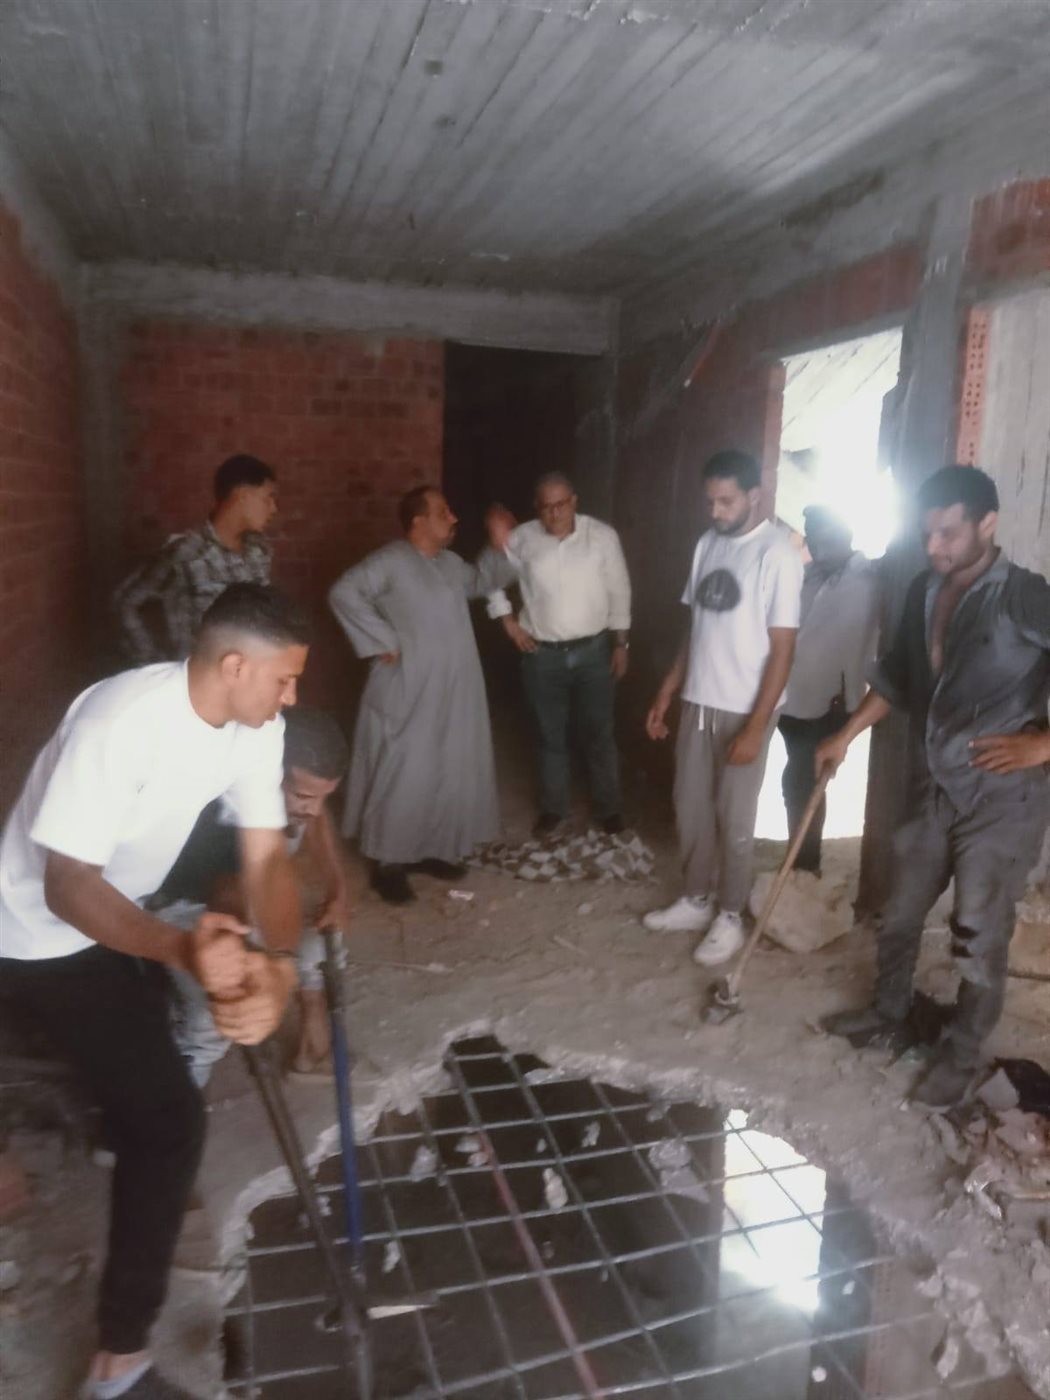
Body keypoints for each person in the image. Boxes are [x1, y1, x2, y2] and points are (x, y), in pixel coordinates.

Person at [0, 583, 309, 1400]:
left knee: (147, 1066)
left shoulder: (255, 728)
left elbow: (267, 859)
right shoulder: (120, 722)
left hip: (115, 914)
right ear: (234, 666)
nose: (291, 697)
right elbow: (67, 885)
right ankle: (118, 1366)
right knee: (171, 1119)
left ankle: (114, 1120)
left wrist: (281, 965)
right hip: (35, 932)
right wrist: (180, 949)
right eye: (284, 679)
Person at [817, 465, 1050, 1111]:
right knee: (899, 911)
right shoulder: (926, 589)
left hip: (1004, 798)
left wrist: (1043, 744)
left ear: (987, 524)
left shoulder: (1025, 596)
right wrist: (845, 735)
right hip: (936, 784)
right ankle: (889, 1013)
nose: (934, 547)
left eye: (948, 533)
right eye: (927, 534)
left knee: (978, 929)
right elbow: (896, 677)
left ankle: (961, 1055)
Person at [643, 450, 803, 965]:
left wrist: (756, 727)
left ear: (754, 496)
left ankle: (730, 914)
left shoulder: (777, 554)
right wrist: (668, 691)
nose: (715, 511)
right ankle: (696, 899)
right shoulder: (707, 544)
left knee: (734, 819)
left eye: (726, 501)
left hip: (746, 708)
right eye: (710, 500)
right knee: (690, 810)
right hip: (699, 701)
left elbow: (783, 649)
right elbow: (696, 627)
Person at [154, 705, 351, 1081]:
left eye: (324, 796)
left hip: (249, 896)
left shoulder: (300, 798)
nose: (314, 808)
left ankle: (312, 1046)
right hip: (185, 907)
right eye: (304, 795)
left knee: (322, 943)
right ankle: (182, 1090)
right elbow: (230, 903)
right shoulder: (223, 810)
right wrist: (265, 971)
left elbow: (317, 819)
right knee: (214, 1019)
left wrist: (337, 889)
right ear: (269, 774)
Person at [328, 486, 501, 905]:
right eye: (443, 512)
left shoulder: (450, 563)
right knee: (404, 767)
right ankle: (388, 863)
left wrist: (499, 548)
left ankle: (429, 850)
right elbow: (343, 592)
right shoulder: (390, 560)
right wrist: (382, 639)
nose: (453, 518)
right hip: (407, 684)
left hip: (453, 687)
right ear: (418, 521)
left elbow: (482, 581)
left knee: (443, 764)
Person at [485, 472, 632, 836]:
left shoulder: (602, 536)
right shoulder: (522, 539)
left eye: (561, 505)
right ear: (537, 508)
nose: (554, 514)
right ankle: (554, 808)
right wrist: (508, 623)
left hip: (594, 652)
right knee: (549, 736)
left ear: (574, 502)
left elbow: (620, 590)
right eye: (546, 507)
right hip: (542, 655)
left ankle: (610, 809)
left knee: (599, 733)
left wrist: (621, 643)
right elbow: (489, 576)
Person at [778, 506, 880, 874]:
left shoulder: (872, 579)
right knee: (796, 778)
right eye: (812, 537)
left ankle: (805, 867)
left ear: (846, 535)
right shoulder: (803, 576)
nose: (818, 546)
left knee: (803, 781)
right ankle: (800, 861)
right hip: (787, 697)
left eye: (826, 537)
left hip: (830, 702)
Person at [115, 453, 278, 664]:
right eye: (268, 498)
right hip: (198, 678)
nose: (274, 508)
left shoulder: (259, 552)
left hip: (248, 675)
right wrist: (152, 663)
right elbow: (126, 602)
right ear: (243, 496)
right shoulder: (186, 553)